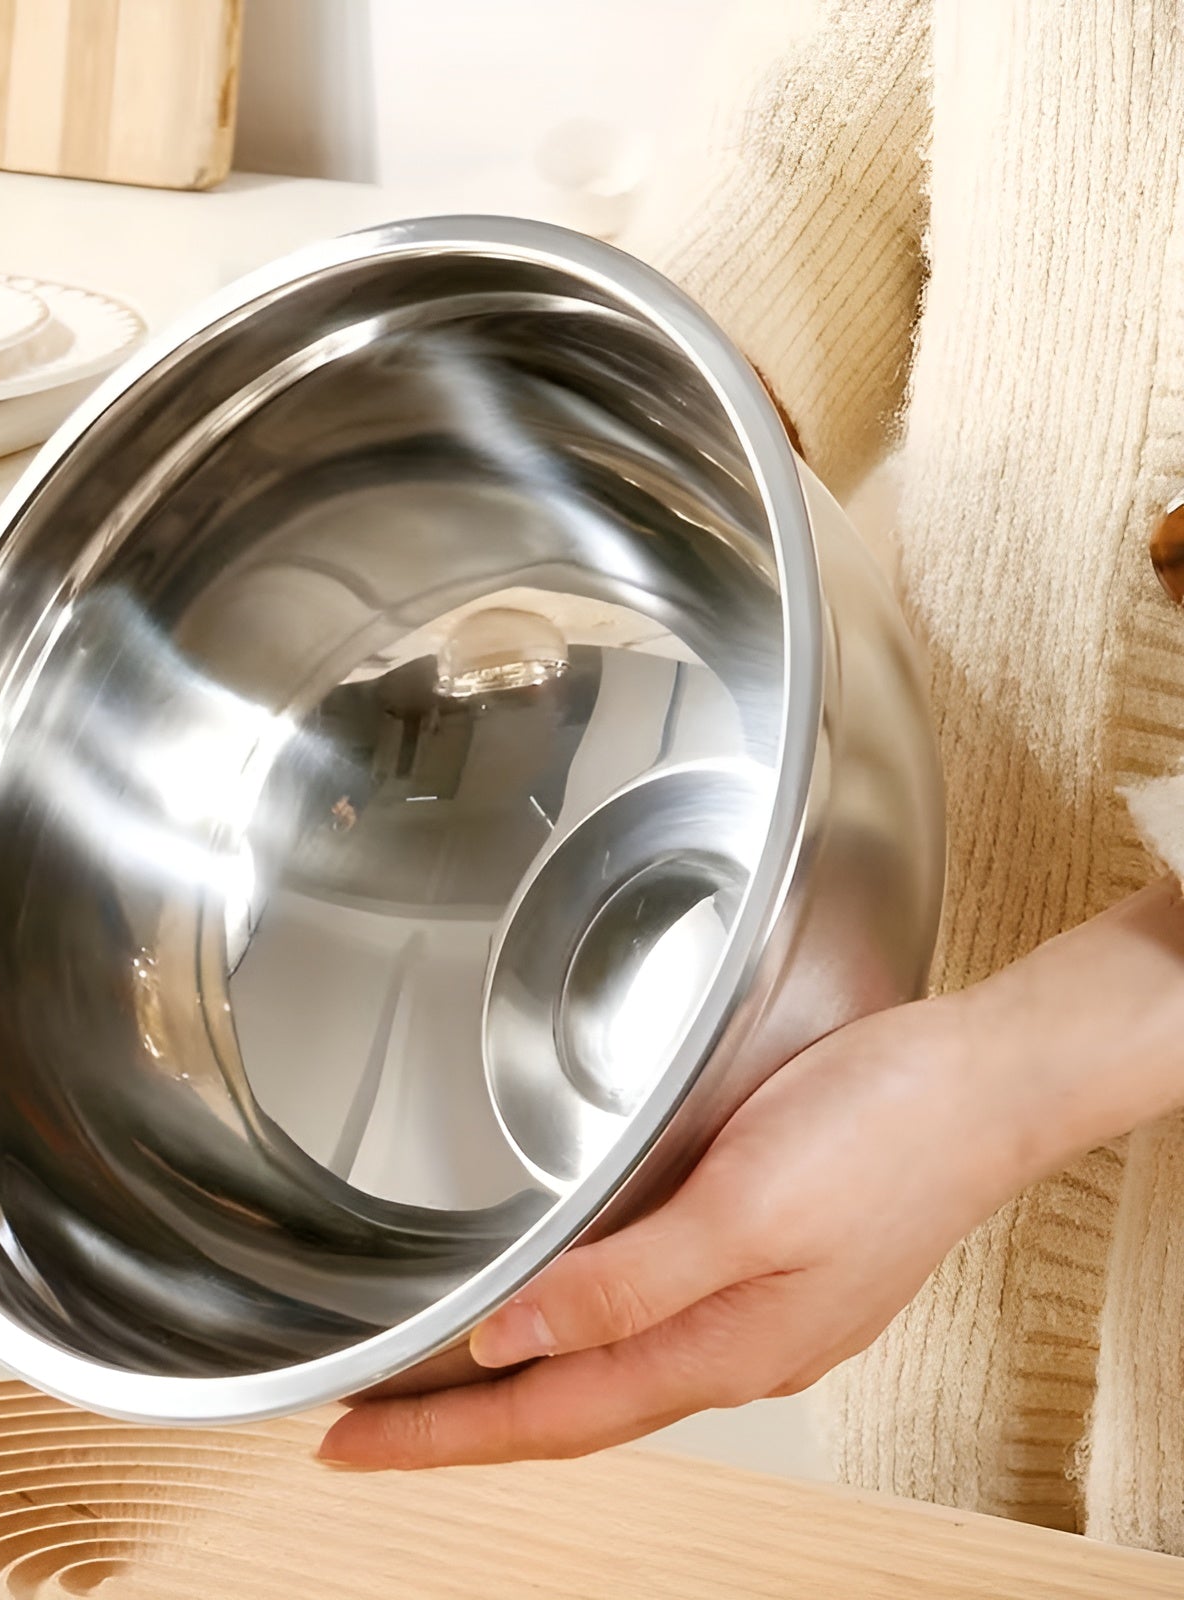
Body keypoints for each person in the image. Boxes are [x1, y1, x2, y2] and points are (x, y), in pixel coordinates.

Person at [317, 0, 1184, 1557]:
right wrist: (632, 440)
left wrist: (1010, 1080)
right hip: (930, 1243)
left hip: (944, 1126)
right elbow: (851, 121)